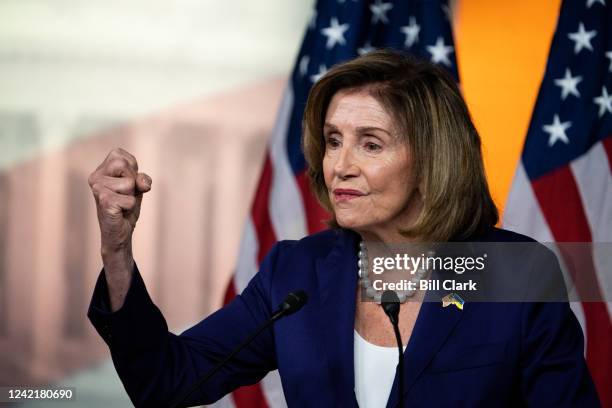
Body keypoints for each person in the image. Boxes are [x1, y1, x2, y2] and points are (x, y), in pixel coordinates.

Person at [87, 50, 600, 407]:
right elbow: (168, 382)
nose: (339, 166)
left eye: (370, 144)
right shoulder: (298, 270)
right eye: (333, 140)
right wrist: (117, 248)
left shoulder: (513, 274)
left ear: (432, 161)